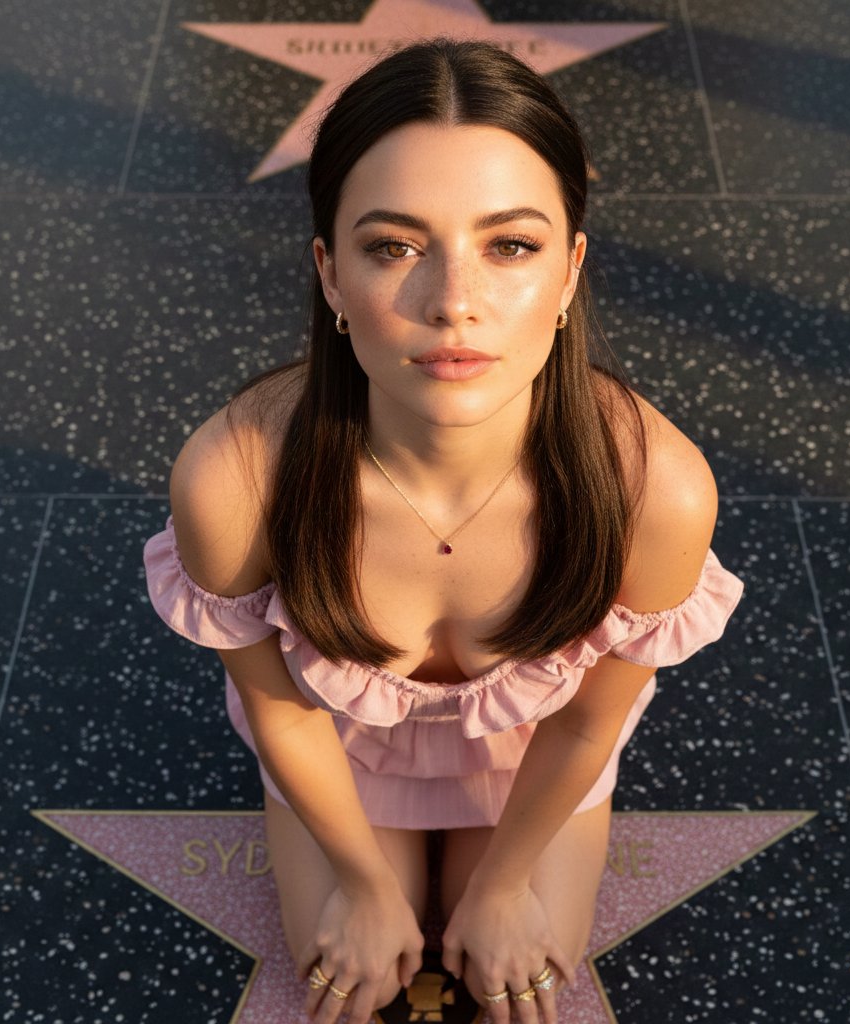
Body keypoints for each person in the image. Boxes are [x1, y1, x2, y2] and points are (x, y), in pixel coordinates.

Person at [143, 37, 744, 1024]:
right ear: (330, 276)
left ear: (568, 274)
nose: (454, 302)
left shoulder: (656, 490)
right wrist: (366, 884)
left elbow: (589, 715)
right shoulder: (236, 478)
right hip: (336, 751)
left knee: (520, 970)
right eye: (394, 247)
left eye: (510, 245)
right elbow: (279, 706)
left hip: (538, 755)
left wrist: (504, 882)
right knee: (349, 973)